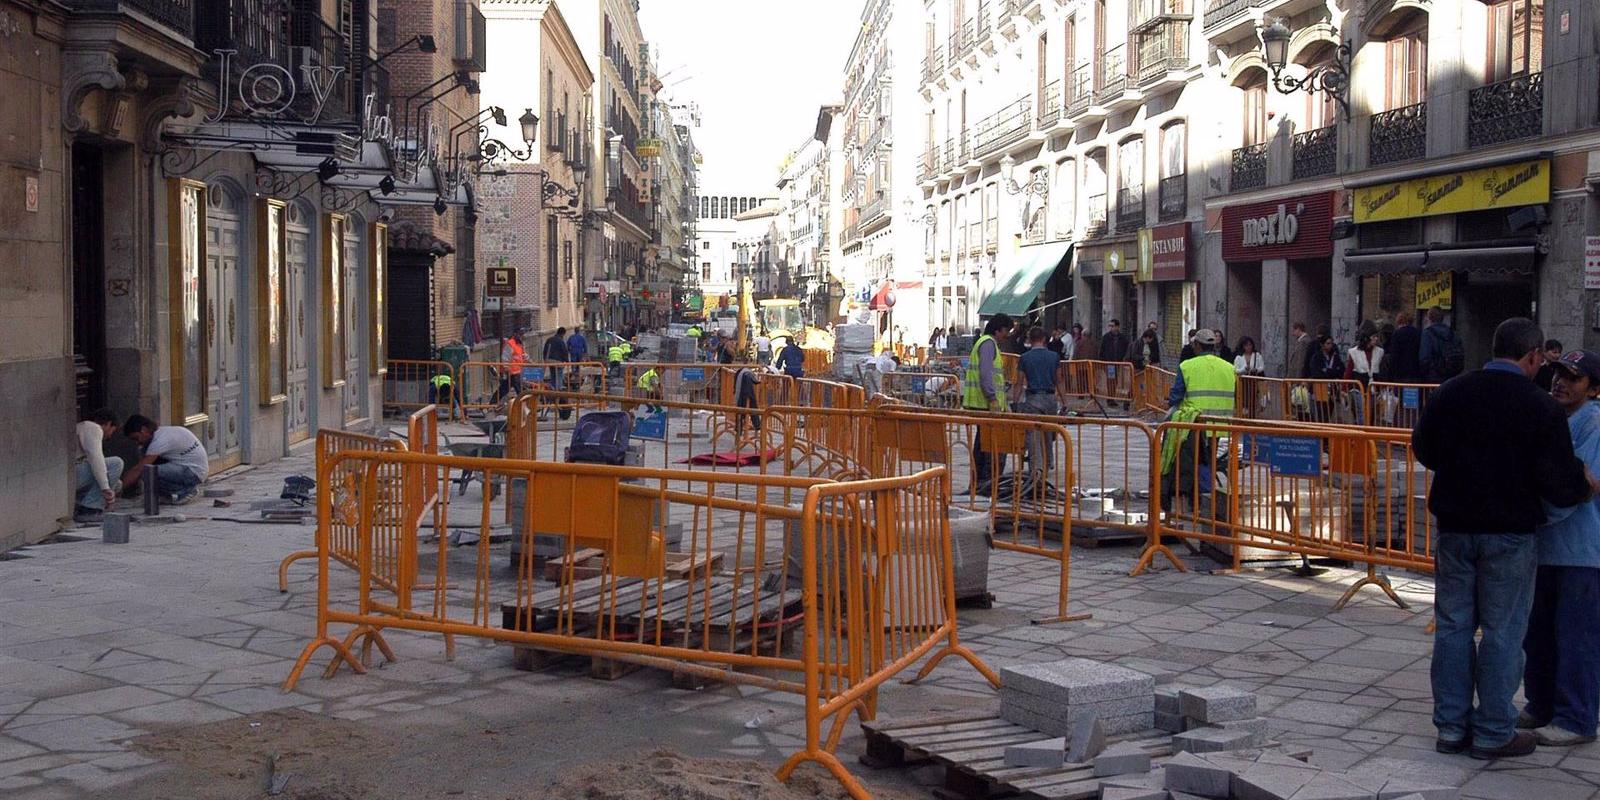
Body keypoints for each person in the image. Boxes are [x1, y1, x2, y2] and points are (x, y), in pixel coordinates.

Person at [1415, 319, 1596, 759]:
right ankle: (1495, 730)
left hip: (1456, 530)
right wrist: (1577, 486)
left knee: (1454, 628)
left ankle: (1452, 728)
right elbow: (1559, 479)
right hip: (1510, 535)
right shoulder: (1539, 407)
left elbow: (1425, 448)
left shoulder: (1452, 391)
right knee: (1501, 632)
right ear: (1533, 356)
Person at [1519, 349, 1600, 748]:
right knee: (1540, 633)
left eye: (1573, 377)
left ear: (1594, 388)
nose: (1560, 382)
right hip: (1548, 547)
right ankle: (1542, 704)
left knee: (1576, 635)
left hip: (1582, 550)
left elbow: (1580, 486)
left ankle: (1576, 716)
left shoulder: (1594, 424)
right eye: (1557, 374)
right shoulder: (1554, 421)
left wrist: (1532, 508)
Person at [1162, 329, 1236, 506]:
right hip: (1220, 425)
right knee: (1210, 461)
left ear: (1197, 345)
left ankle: (1199, 501)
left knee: (1192, 463)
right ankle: (1206, 500)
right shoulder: (1230, 368)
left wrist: (1170, 406)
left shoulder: (1187, 366)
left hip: (1193, 424)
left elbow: (1176, 396)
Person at [964, 314, 1012, 492]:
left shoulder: (986, 343)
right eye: (1005, 331)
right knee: (986, 448)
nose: (1006, 335)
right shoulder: (988, 344)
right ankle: (983, 484)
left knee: (982, 445)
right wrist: (992, 397)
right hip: (984, 403)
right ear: (998, 329)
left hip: (982, 403)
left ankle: (979, 484)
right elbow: (985, 374)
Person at [122, 415, 209, 505]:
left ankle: (185, 492)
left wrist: (117, 490)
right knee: (147, 457)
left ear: (144, 430)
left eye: (136, 438)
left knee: (147, 471)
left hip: (193, 472)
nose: (137, 442)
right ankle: (168, 494)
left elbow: (138, 469)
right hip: (194, 468)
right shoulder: (163, 432)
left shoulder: (159, 442)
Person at [1014, 327, 1061, 478]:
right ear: (1044, 339)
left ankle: (1036, 467)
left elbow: (1019, 383)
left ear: (1030, 340)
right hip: (1050, 398)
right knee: (1048, 432)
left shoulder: (1025, 358)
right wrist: (1065, 401)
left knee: (1033, 433)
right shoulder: (1054, 357)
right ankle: (1048, 462)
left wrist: (1015, 403)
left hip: (1033, 399)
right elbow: (1059, 380)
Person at [74, 409, 123, 524]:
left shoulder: (83, 427)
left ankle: (80, 505)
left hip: (72, 476)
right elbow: (96, 458)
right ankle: (90, 510)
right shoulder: (93, 428)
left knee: (118, 483)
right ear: (109, 424)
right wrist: (105, 488)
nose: (110, 436)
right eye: (112, 431)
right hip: (72, 475)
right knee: (116, 463)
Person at [1419, 307, 1465, 383]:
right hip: (1453, 375)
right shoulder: (1453, 333)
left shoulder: (1427, 333)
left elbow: (1424, 357)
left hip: (1434, 376)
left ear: (1429, 318)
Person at [1381, 313, 1420, 383]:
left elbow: (1394, 356)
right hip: (1416, 373)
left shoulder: (1397, 334)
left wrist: (1390, 376)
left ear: (1400, 322)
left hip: (1400, 374)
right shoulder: (1418, 333)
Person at [732, 366, 763, 437]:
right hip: (746, 387)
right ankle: (756, 425)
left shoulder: (741, 374)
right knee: (752, 404)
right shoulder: (747, 374)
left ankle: (740, 428)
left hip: (742, 392)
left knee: (742, 405)